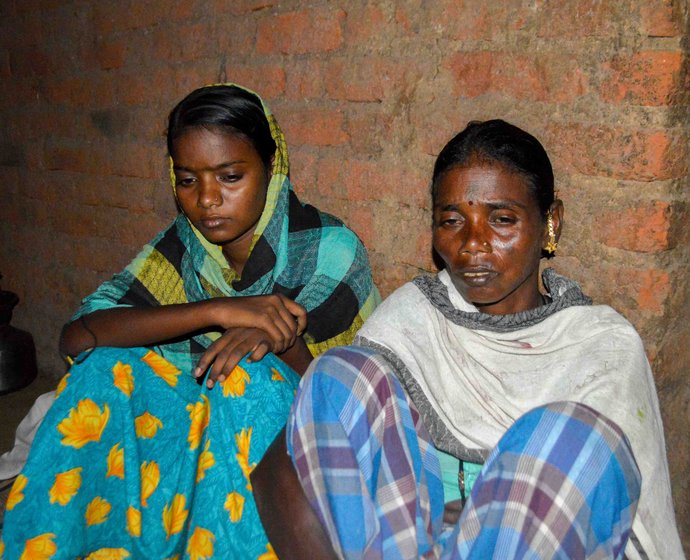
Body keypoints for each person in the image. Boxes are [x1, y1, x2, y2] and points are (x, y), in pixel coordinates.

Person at [254, 120, 684, 559]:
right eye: (452, 220)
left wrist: (483, 516)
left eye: (501, 219)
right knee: (340, 372)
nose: (473, 243)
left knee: (569, 439)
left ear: (550, 222)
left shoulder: (600, 346)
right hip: (404, 548)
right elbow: (286, 462)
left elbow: (579, 496)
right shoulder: (414, 319)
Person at [1, 84, 379, 559]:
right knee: (99, 371)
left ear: (272, 166)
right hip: (200, 423)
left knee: (245, 375)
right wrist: (219, 309)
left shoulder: (329, 249)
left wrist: (271, 335)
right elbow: (80, 334)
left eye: (230, 176)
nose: (206, 200)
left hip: (303, 449)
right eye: (187, 180)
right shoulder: (181, 250)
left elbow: (328, 389)